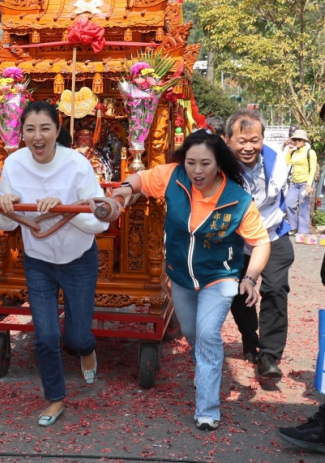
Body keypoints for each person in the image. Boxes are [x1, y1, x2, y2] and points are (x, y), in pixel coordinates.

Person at [111, 130, 270, 431]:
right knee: (192, 333)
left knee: (208, 333)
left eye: (205, 164)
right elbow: (140, 180)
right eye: (191, 163)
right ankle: (208, 368)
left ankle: (207, 409)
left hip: (220, 277)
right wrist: (122, 191)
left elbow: (261, 242)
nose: (197, 171)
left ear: (219, 164)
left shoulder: (238, 200)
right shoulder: (173, 176)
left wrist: (250, 277)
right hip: (180, 276)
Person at [0, 102, 106, 427]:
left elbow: (100, 223)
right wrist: (3, 205)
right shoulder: (13, 164)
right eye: (30, 129)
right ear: (22, 133)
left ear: (57, 130)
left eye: (44, 128)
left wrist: (67, 208)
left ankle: (86, 348)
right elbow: (4, 223)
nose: (37, 137)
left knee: (77, 337)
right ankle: (55, 398)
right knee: (45, 336)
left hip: (79, 258)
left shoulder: (77, 164)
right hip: (38, 260)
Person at [225, 110, 294, 377]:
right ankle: (250, 338)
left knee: (276, 290)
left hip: (273, 236)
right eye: (241, 141)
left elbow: (283, 197)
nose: (248, 147)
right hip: (237, 239)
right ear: (228, 140)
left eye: (255, 140)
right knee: (238, 293)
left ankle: (269, 356)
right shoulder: (220, 164)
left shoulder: (277, 158)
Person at [285, 129, 317, 235]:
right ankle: (293, 226)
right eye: (295, 139)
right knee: (289, 204)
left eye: (300, 139)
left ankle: (303, 231)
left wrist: (309, 184)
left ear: (304, 141)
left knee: (304, 207)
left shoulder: (310, 152)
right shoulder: (294, 152)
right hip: (294, 183)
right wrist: (289, 151)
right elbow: (286, 162)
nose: (297, 141)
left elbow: (313, 168)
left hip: (305, 182)